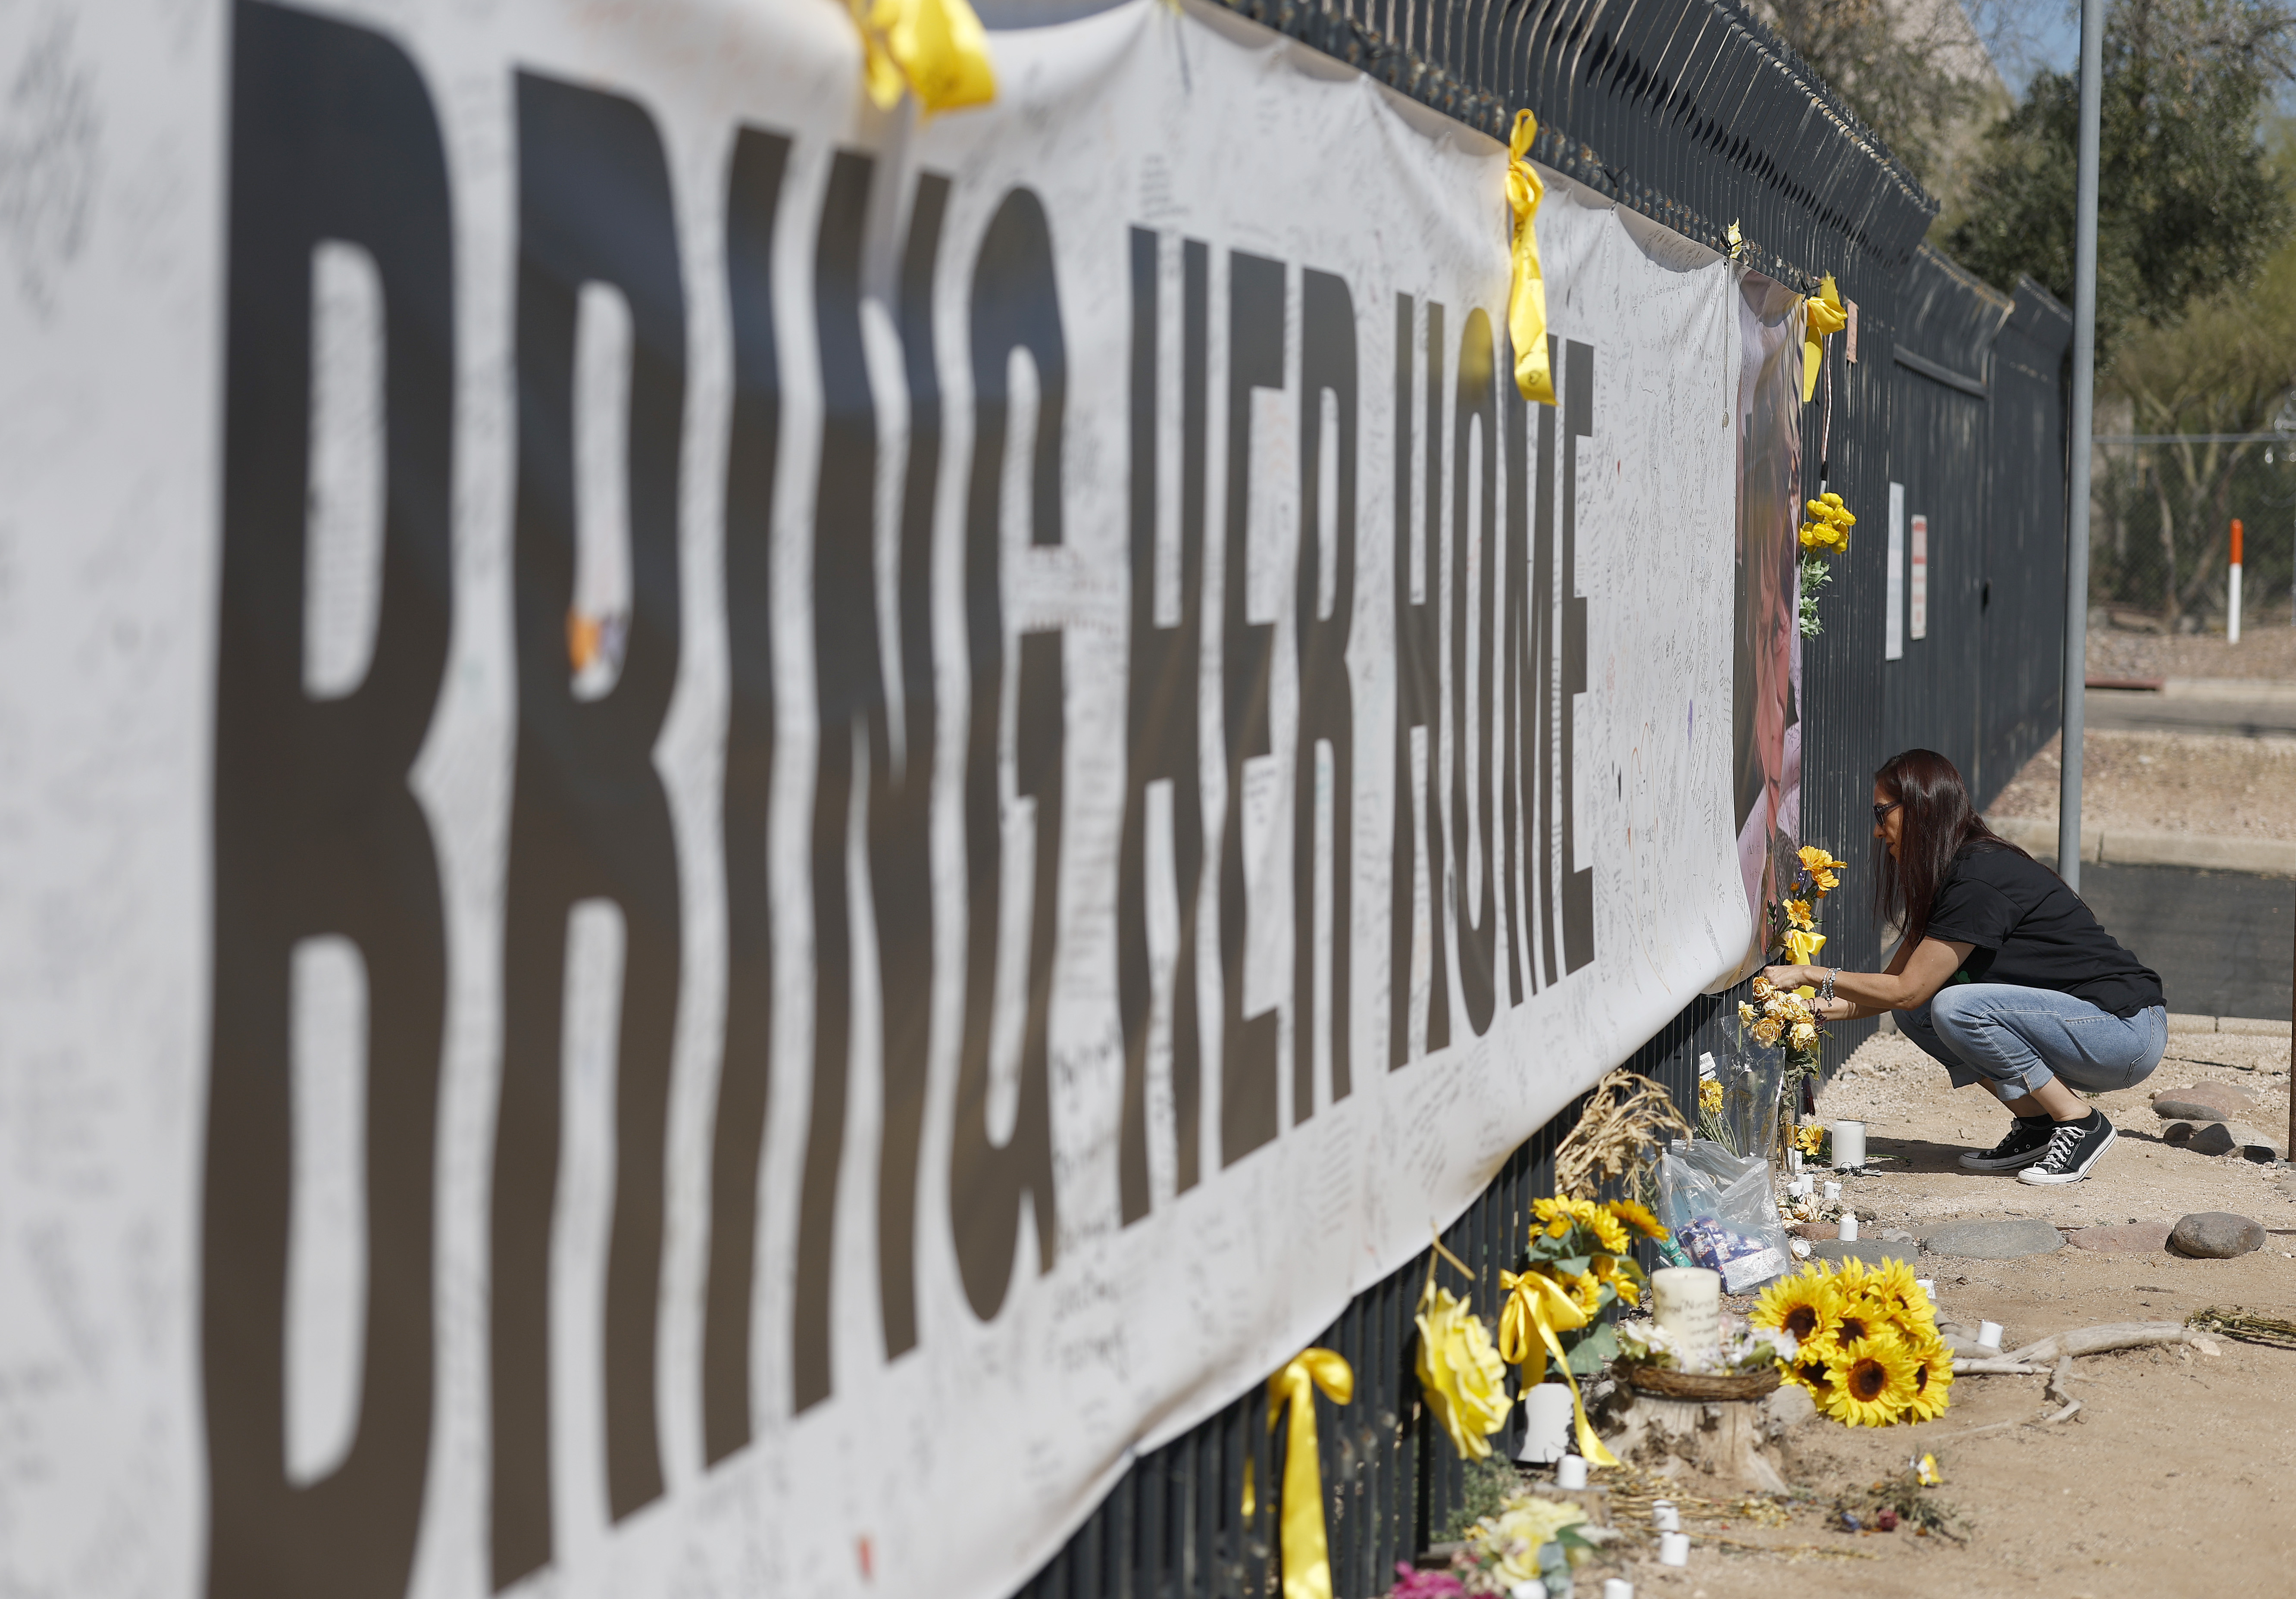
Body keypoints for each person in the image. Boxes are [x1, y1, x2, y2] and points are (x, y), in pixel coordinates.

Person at [1763, 748, 2167, 1186]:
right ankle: (2038, 1124)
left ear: (1920, 807)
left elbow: (1906, 989)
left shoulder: (1978, 877)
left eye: (1882, 813)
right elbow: (1896, 989)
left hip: (2123, 1031)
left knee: (1953, 1006)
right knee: (1919, 1013)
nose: (1878, 831)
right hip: (2081, 1028)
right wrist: (1814, 1011)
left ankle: (2080, 1121)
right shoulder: (1948, 876)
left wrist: (1809, 974)